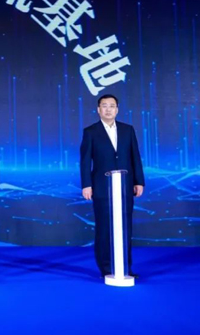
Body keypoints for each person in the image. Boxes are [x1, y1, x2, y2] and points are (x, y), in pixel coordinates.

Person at [80, 94, 145, 278]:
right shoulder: (90, 132)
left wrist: (139, 181)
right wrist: (86, 185)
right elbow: (85, 161)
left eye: (112, 106)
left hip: (125, 186)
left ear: (117, 109)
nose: (108, 109)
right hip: (101, 186)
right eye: (104, 106)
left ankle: (125, 267)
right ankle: (106, 267)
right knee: (104, 227)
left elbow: (135, 157)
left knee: (126, 227)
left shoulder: (127, 130)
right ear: (98, 109)